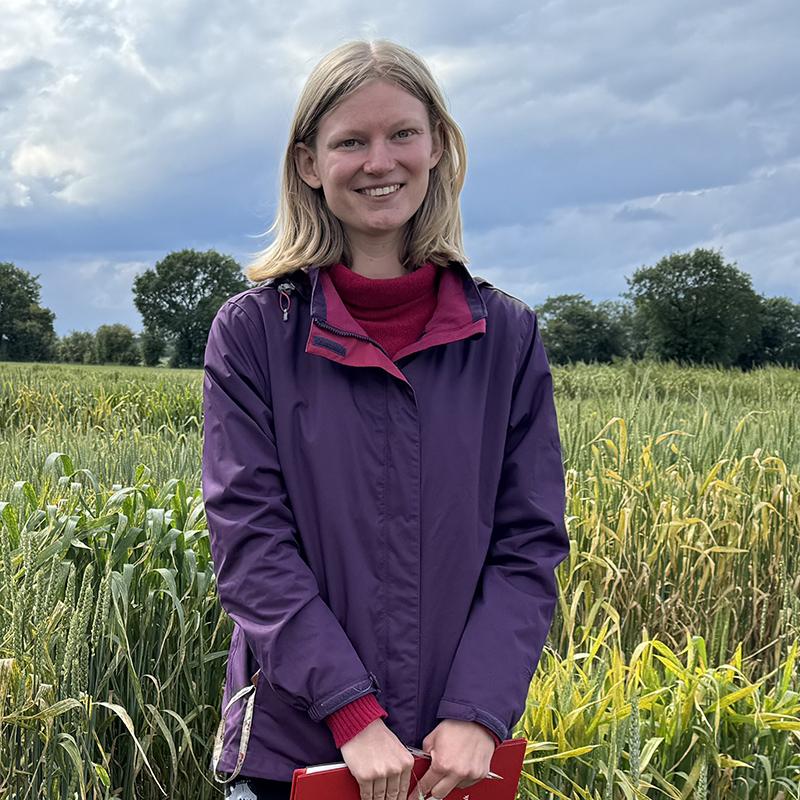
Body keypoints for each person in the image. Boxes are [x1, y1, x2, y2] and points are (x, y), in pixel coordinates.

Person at [201, 38, 570, 800]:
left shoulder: (506, 336)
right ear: (309, 164)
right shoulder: (254, 334)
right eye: (350, 141)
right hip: (293, 755)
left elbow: (528, 543)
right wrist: (350, 710)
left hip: (453, 759)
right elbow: (251, 543)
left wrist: (477, 712)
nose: (380, 161)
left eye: (402, 133)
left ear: (437, 144)